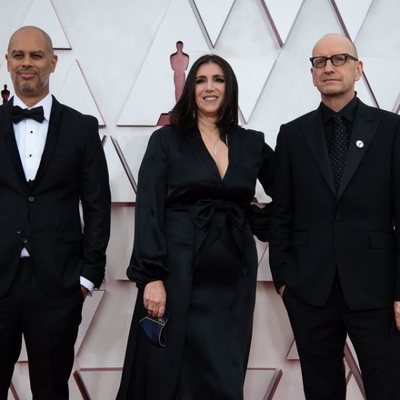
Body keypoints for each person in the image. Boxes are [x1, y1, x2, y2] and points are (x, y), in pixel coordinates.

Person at [117, 54, 274, 399]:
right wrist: (151, 277)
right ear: (191, 89)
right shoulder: (167, 141)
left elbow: (291, 193)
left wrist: (252, 219)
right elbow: (149, 209)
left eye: (218, 80)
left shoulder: (251, 143)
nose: (209, 88)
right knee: (167, 367)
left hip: (233, 275)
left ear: (229, 87)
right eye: (201, 80)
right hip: (176, 271)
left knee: (223, 367)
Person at [270, 33, 400, 400]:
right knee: (321, 389)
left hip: (376, 287)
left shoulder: (391, 130)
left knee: (388, 386)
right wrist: (284, 281)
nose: (329, 67)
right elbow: (282, 213)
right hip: (311, 290)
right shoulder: (293, 135)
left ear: (358, 69)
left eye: (339, 59)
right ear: (312, 74)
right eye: (319, 62)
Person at [0, 26, 111, 399]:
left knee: (50, 390)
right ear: (7, 63)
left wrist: (87, 277)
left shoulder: (81, 128)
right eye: (18, 55)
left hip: (59, 285)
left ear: (52, 62)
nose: (26, 63)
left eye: (35, 55)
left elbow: (97, 205)